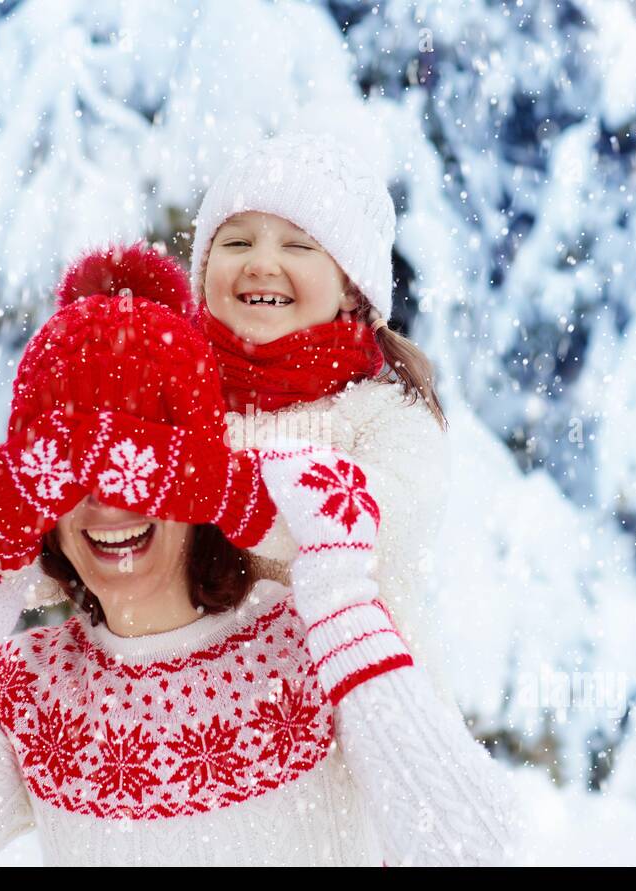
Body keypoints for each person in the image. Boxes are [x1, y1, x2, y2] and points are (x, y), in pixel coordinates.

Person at [0, 243, 521, 866]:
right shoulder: (32, 692)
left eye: (137, 465)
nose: (108, 504)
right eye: (71, 475)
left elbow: (473, 852)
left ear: (199, 485)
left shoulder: (312, 645)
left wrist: (340, 596)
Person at [189, 130, 459, 710]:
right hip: (205, 731)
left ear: (352, 292)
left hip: (356, 720)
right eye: (235, 242)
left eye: (298, 246)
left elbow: (381, 522)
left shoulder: (385, 415)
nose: (262, 263)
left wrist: (231, 493)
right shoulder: (178, 402)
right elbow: (94, 546)